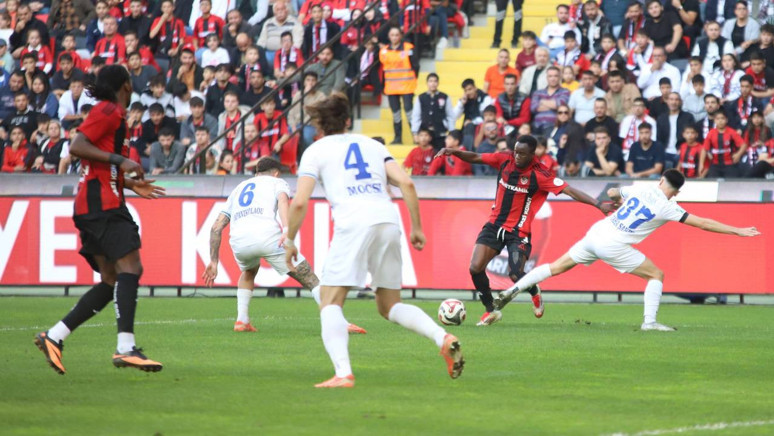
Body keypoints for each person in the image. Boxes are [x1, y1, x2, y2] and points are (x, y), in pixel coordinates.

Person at [285, 92, 464, 388]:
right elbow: (406, 182)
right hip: (387, 219)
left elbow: (300, 203)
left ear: (319, 124)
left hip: (353, 222)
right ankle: (441, 337)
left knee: (330, 301)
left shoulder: (315, 151)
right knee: (389, 305)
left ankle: (343, 373)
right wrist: (416, 228)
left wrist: (290, 239)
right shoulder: (371, 145)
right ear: (347, 120)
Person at [494, 169, 761, 331]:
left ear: (660, 180)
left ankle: (509, 291)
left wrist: (617, 197)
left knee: (555, 267)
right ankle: (649, 322)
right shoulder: (670, 206)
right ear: (676, 191)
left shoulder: (641, 188)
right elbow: (702, 223)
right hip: (614, 243)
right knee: (656, 275)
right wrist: (737, 230)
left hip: (597, 231)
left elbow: (611, 190)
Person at [33, 65, 166, 375]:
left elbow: (101, 166)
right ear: (126, 85)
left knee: (110, 279)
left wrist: (131, 184)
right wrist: (122, 160)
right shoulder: (108, 110)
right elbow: (78, 146)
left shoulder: (114, 115)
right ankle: (125, 348)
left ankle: (54, 336)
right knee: (131, 266)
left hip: (98, 202)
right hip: (101, 205)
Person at [435, 135, 613, 326]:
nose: (517, 156)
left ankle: (534, 290)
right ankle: (491, 310)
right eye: (516, 151)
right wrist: (454, 152)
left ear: (532, 154)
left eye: (522, 153)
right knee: (475, 268)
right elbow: (477, 157)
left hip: (518, 232)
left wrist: (598, 204)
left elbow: (570, 191)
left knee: (515, 275)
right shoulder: (505, 159)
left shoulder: (540, 175)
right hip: (494, 225)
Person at [202, 157, 367, 333]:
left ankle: (242, 320)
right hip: (267, 236)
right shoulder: (277, 182)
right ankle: (339, 323)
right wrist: (287, 229)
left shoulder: (239, 188)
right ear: (276, 173)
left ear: (256, 173)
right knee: (309, 277)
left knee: (248, 271)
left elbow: (216, 227)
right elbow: (282, 201)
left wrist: (213, 260)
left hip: (238, 241)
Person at [380, 27, 417, 144]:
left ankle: (416, 138)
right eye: (392, 35)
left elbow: (416, 65)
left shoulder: (408, 48)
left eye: (397, 35)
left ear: (400, 36)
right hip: (391, 88)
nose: (395, 37)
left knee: (409, 113)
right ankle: (398, 138)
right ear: (389, 37)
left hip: (407, 86)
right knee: (396, 114)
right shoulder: (383, 51)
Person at [411, 73, 455, 150]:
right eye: (430, 81)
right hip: (425, 134)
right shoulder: (421, 97)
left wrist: (451, 132)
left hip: (440, 133)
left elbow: (450, 115)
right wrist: (415, 132)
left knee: (439, 156)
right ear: (427, 83)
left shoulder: (444, 97)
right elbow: (416, 116)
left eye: (435, 81)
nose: (433, 83)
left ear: (438, 83)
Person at [700, 109, 747, 178]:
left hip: (730, 164)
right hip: (715, 164)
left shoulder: (731, 132)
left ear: (726, 120)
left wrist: (738, 154)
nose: (720, 121)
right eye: (718, 119)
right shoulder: (711, 133)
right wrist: (701, 164)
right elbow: (704, 149)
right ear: (714, 120)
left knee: (731, 183)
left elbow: (743, 145)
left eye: (722, 118)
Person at [530, 66, 571, 136]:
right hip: (536, 126)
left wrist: (541, 101)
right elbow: (533, 108)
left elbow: (559, 105)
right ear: (547, 78)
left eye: (555, 76)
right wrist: (553, 105)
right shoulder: (538, 92)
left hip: (554, 126)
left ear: (559, 77)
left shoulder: (565, 91)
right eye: (550, 76)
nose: (553, 79)